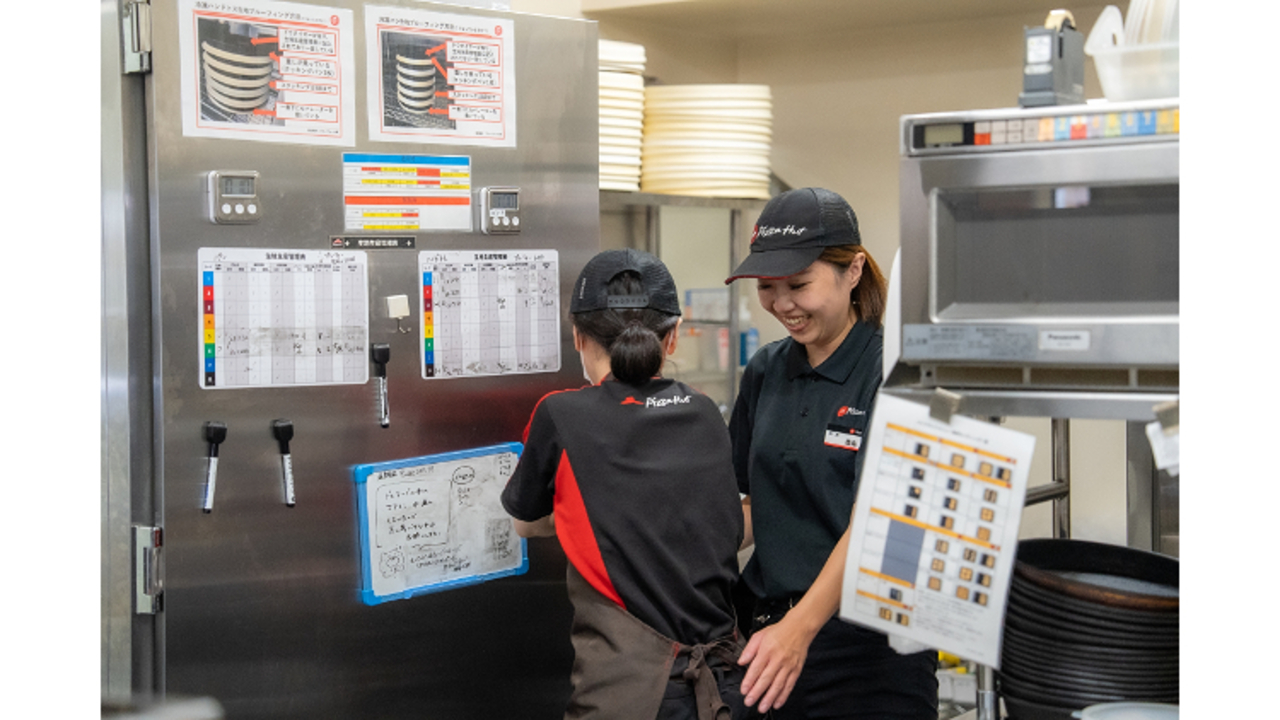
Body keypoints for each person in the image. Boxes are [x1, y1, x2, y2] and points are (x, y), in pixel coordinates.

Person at [501, 249, 749, 720]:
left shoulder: (560, 413)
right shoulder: (704, 411)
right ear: (672, 337)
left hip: (633, 695)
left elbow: (526, 525)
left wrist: (591, 514)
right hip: (726, 685)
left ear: (577, 335)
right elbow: (724, 526)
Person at [724, 188, 938, 719]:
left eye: (798, 285)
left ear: (854, 270)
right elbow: (754, 506)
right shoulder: (766, 371)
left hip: (870, 653)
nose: (782, 305)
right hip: (771, 634)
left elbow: (881, 524)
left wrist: (799, 629)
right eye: (768, 288)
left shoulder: (895, 376)